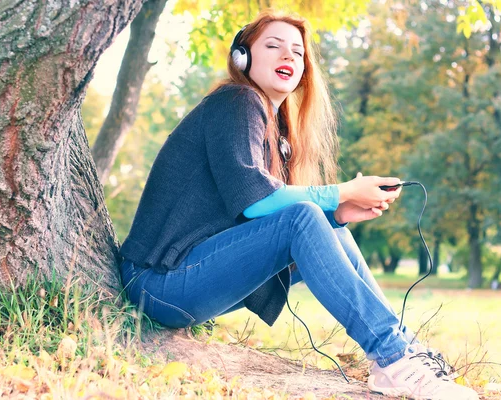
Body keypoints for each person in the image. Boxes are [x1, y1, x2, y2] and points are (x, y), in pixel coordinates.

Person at [118, 10, 479, 400]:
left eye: (297, 52)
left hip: (186, 284)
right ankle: (392, 359)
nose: (287, 57)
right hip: (158, 284)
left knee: (327, 224)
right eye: (272, 46)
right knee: (307, 216)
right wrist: (342, 192)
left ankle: (403, 349)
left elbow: (267, 216)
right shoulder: (237, 101)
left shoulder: (277, 129)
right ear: (243, 56)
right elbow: (258, 202)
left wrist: (338, 214)